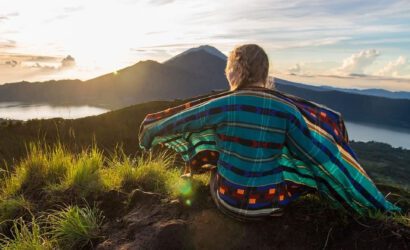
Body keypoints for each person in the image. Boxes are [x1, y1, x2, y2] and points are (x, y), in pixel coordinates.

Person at [138, 44, 401, 221]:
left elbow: (180, 121)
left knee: (216, 157)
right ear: (264, 72)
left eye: (228, 68)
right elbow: (315, 156)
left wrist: (148, 132)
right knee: (288, 170)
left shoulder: (223, 104)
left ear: (236, 70)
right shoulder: (285, 110)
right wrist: (366, 195)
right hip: (270, 206)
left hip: (227, 200)